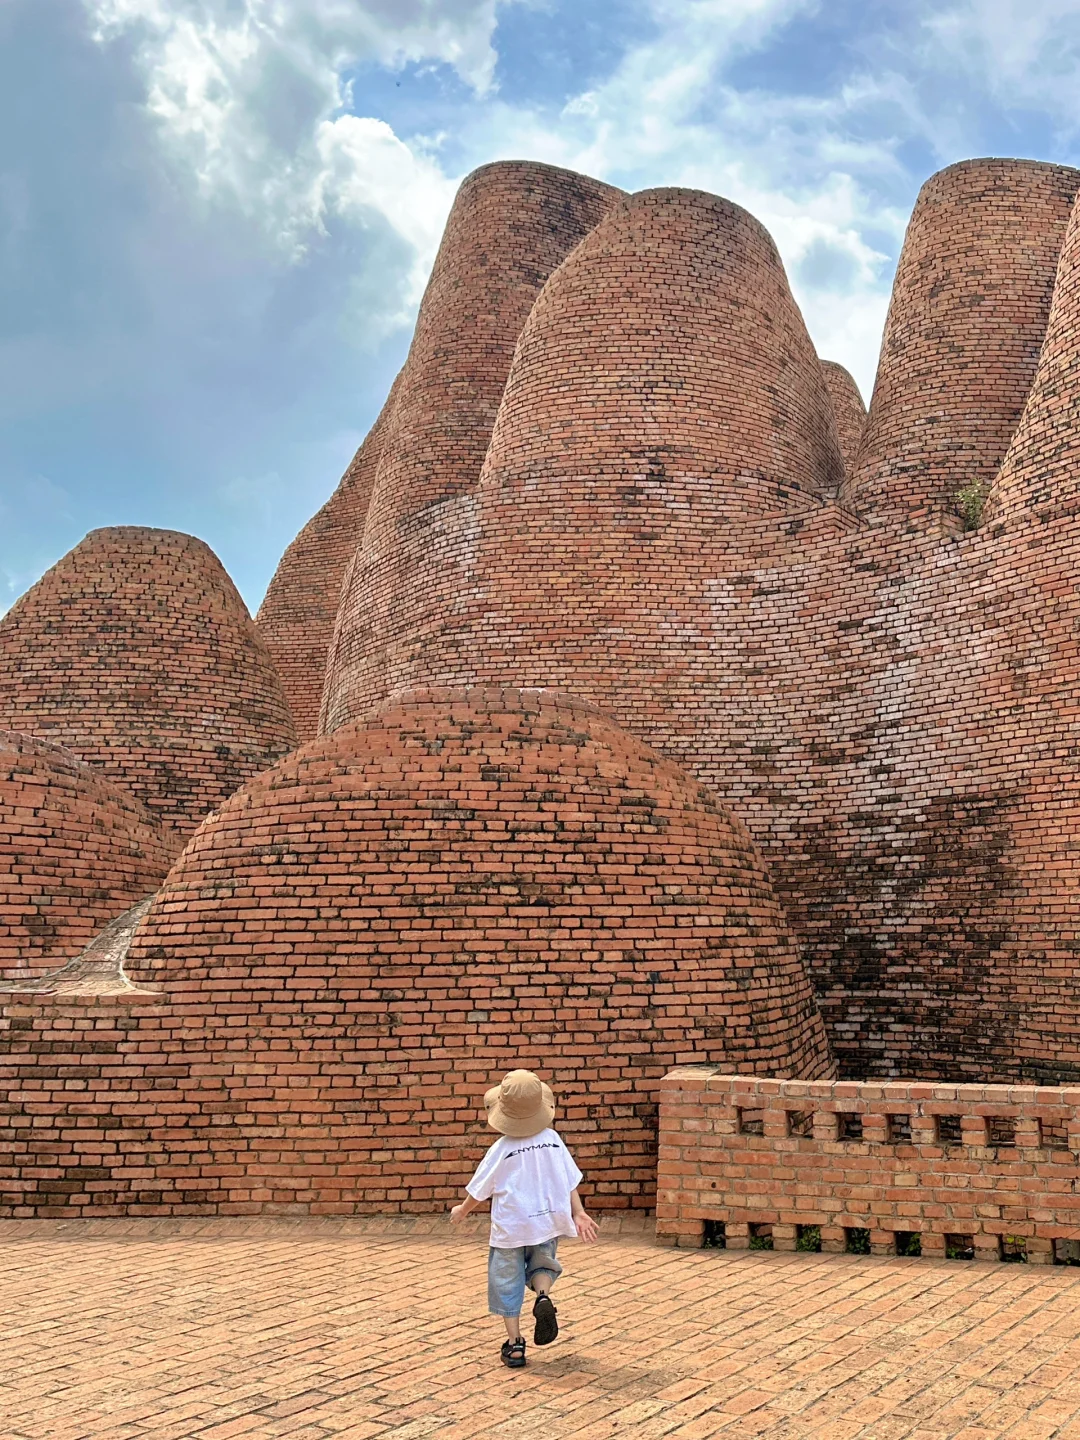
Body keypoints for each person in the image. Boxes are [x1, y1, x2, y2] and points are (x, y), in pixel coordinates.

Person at [449, 1068, 599, 1368]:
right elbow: (568, 1181)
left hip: (511, 1229)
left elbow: (480, 1189)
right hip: (546, 1222)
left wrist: (462, 1210)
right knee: (542, 1264)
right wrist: (579, 1213)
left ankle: (516, 1345)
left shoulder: (502, 1149)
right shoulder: (553, 1140)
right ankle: (543, 1296)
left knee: (507, 1281)